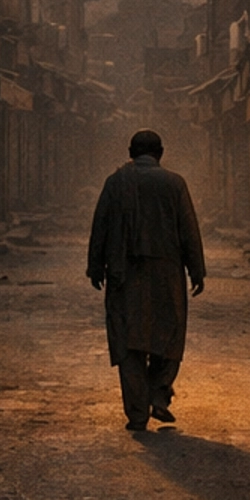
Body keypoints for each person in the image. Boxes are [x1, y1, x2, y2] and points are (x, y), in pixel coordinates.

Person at [87, 130, 206, 434]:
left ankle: (138, 413)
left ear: (130, 152)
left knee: (129, 342)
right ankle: (159, 391)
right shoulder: (174, 183)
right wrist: (197, 269)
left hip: (125, 275)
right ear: (161, 153)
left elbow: (100, 225)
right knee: (170, 335)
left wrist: (95, 267)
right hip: (167, 275)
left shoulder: (116, 183)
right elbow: (189, 229)